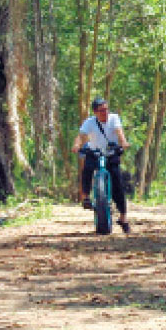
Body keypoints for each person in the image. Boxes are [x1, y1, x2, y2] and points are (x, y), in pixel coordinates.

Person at [72, 98, 132, 233]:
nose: (105, 112)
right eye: (101, 110)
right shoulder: (89, 122)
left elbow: (119, 133)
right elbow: (81, 136)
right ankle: (85, 196)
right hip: (94, 152)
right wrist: (77, 145)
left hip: (112, 153)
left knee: (118, 184)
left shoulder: (114, 118)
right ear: (95, 112)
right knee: (86, 169)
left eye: (106, 109)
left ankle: (123, 218)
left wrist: (123, 143)